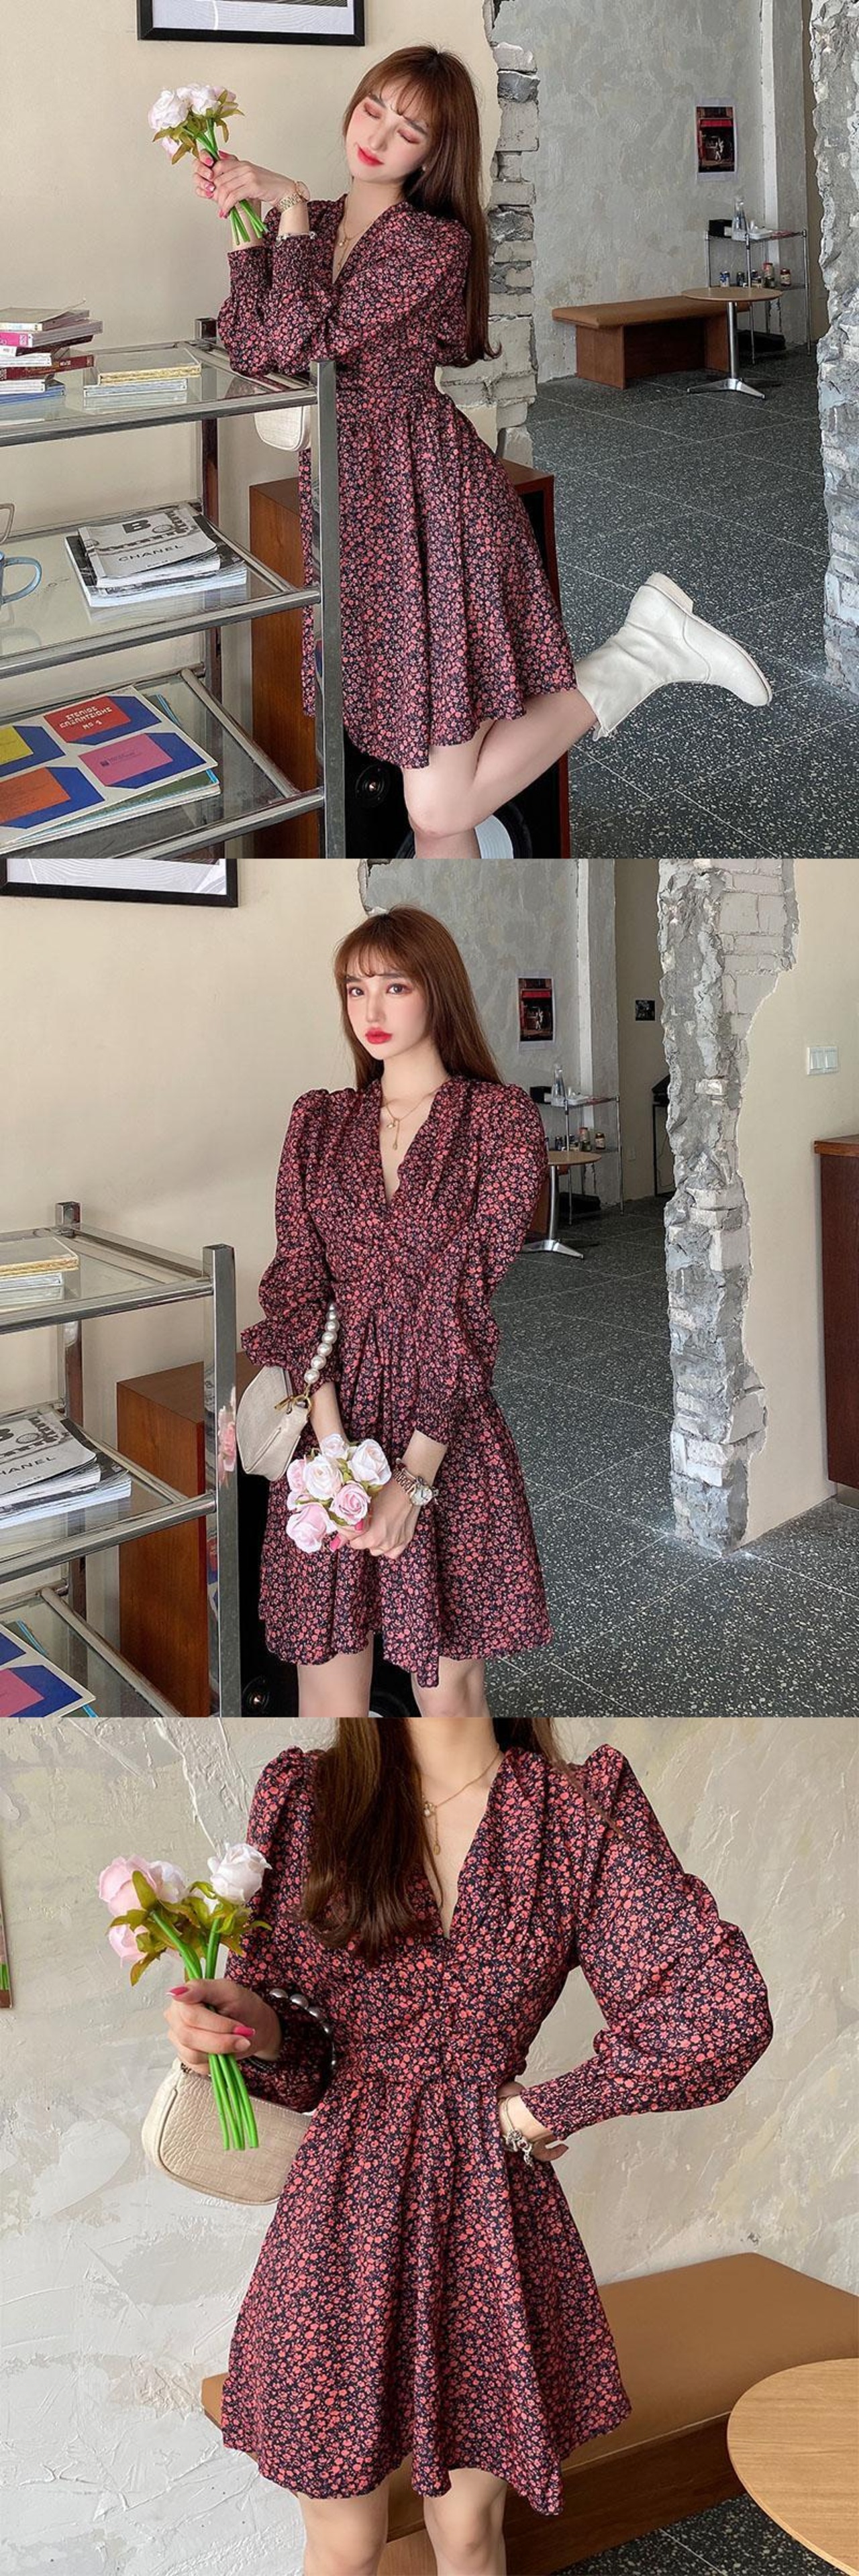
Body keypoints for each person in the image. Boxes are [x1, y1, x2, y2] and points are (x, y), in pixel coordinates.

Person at [164, 1714, 774, 2576]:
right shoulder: (308, 1799)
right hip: (343, 2214)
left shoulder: (575, 1813)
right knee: (343, 2542)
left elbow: (720, 2012)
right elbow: (300, 2060)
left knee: (470, 2533)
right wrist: (251, 2028)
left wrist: (542, 2113)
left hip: (490, 2216)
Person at [198, 45, 773, 862]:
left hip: (429, 509)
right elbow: (253, 344)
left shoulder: (428, 242)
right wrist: (254, 227)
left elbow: (300, 339)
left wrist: (284, 206)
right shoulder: (316, 225)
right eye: (373, 108)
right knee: (438, 812)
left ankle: (643, 652)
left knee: (439, 805)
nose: (378, 136)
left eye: (408, 129)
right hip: (358, 515)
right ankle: (645, 649)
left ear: (434, 152)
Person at [241, 904, 553, 1719]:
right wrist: (334, 1451)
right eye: (354, 989)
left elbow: (464, 1304)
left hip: (441, 1421)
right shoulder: (318, 1122)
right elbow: (299, 1285)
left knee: (447, 1685)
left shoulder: (497, 1122)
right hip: (331, 1415)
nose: (370, 1010)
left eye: (394, 986)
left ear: (436, 991)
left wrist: (411, 1479)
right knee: (326, 1679)